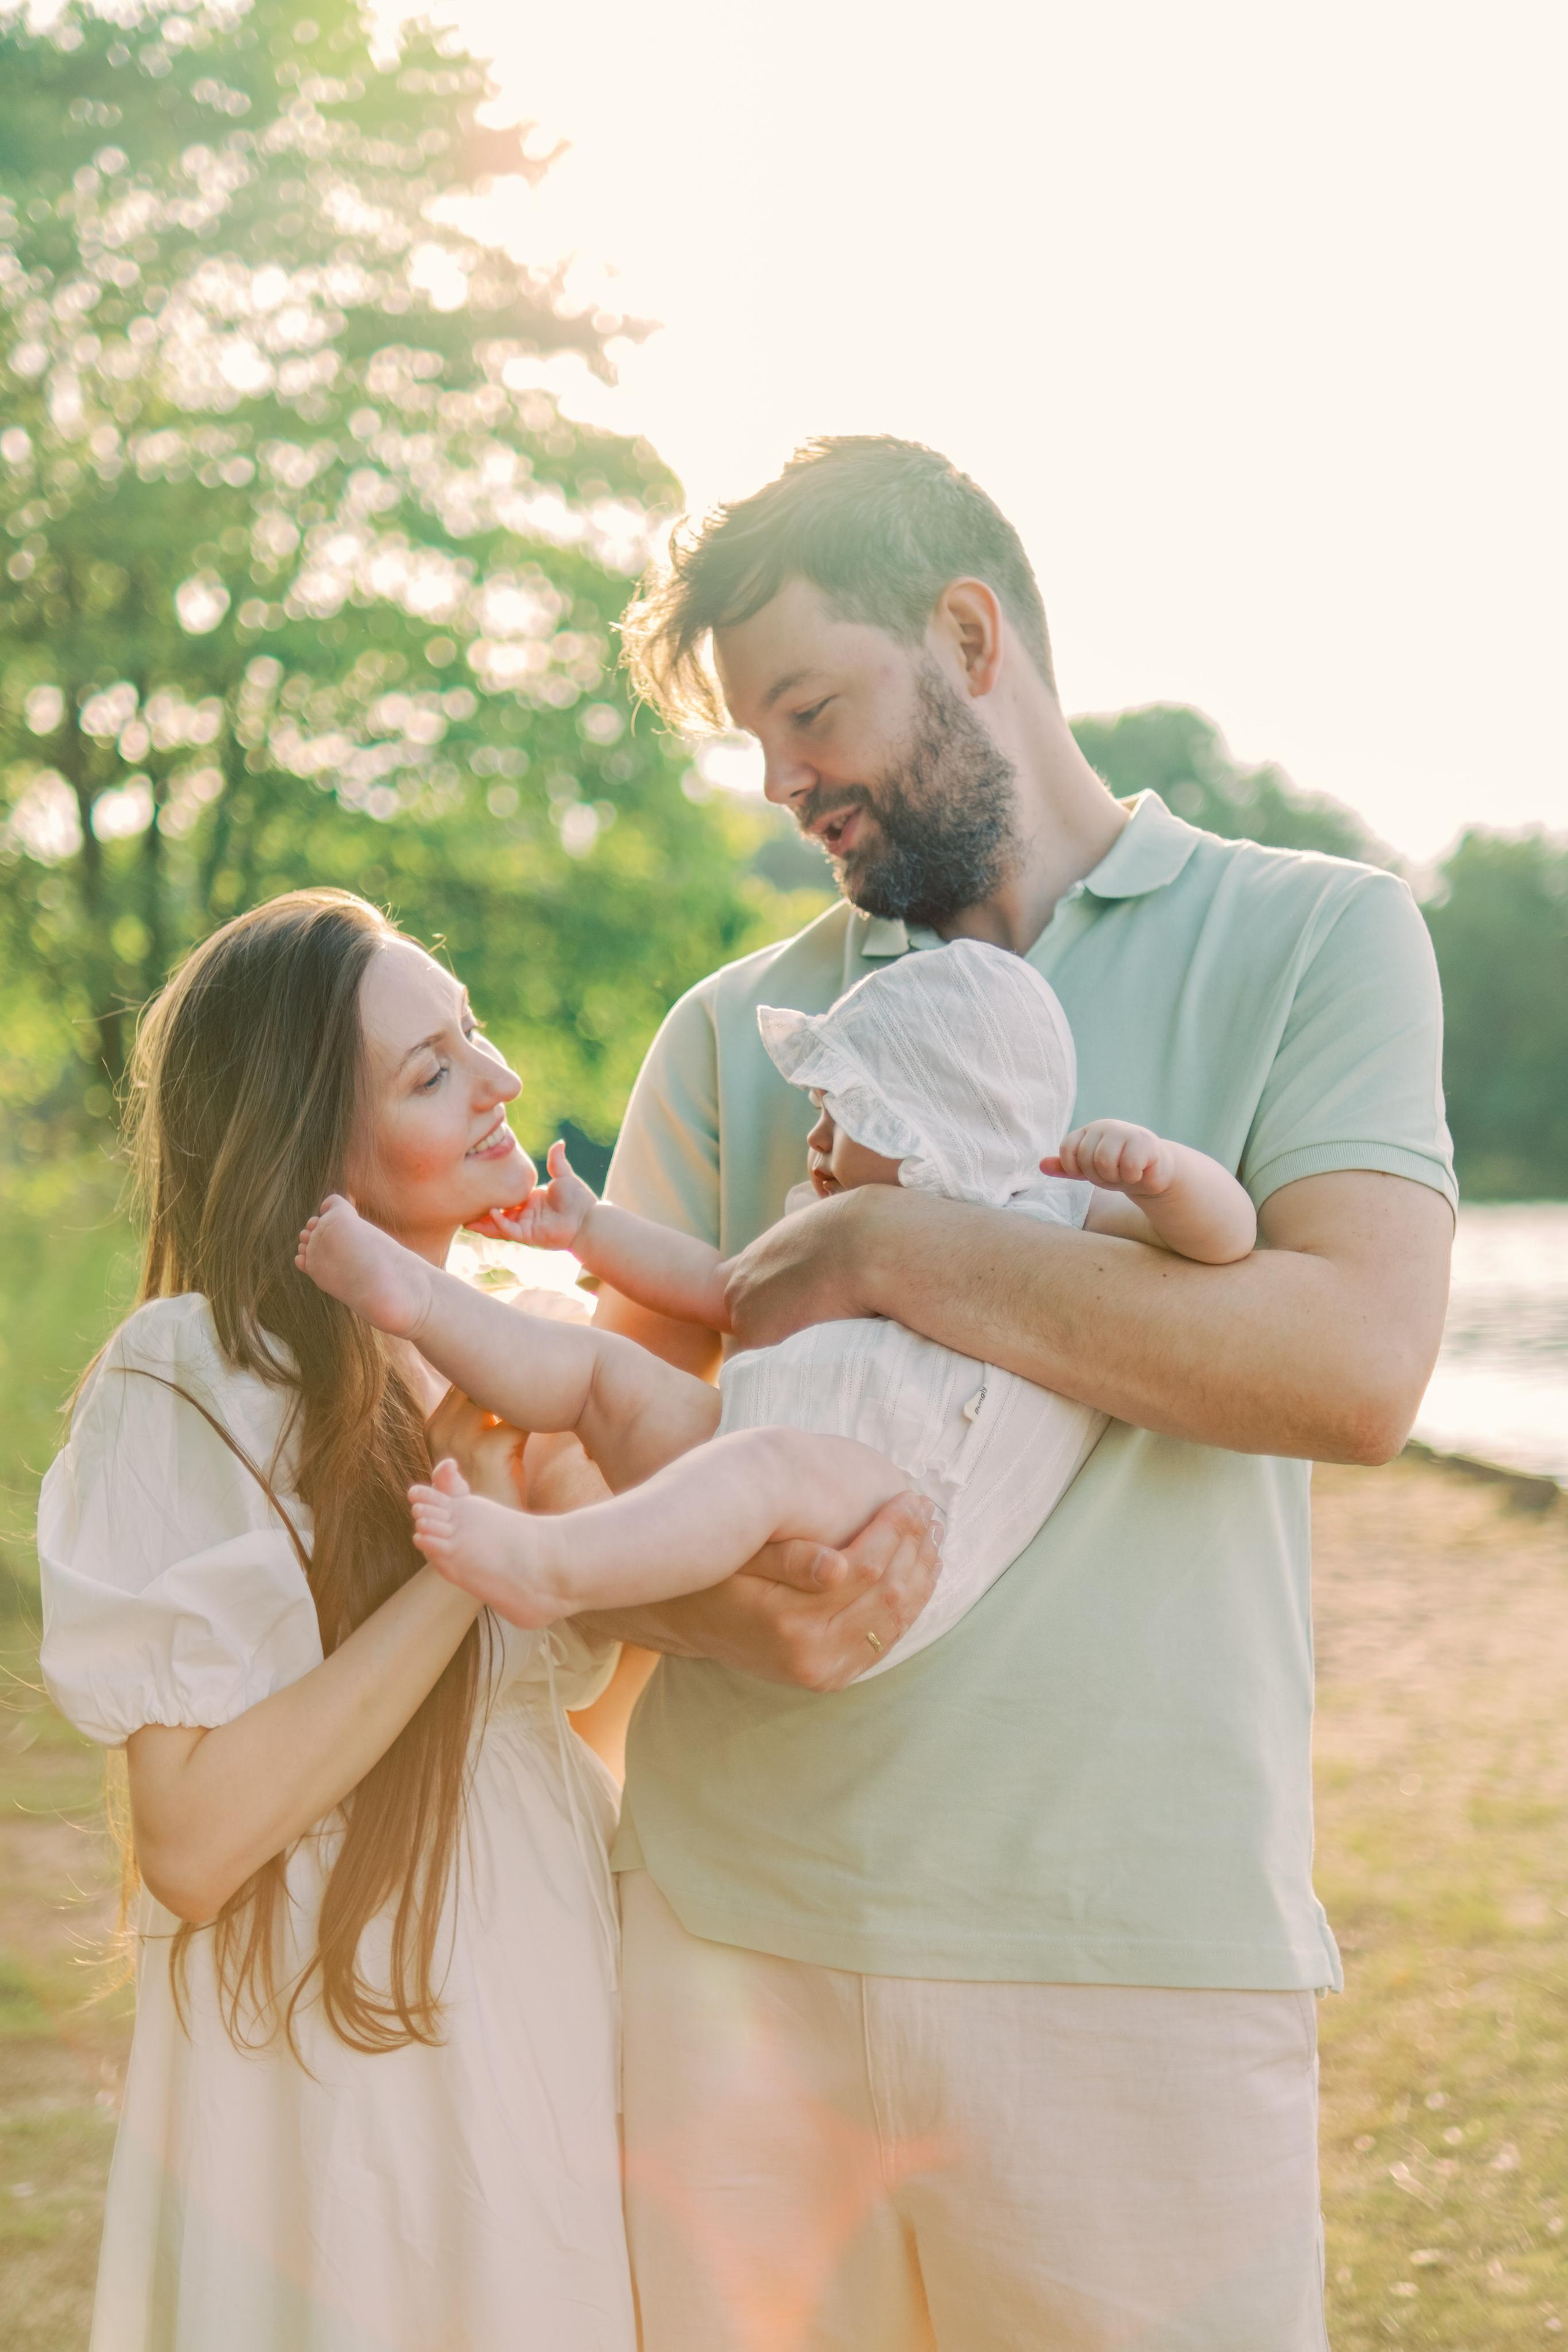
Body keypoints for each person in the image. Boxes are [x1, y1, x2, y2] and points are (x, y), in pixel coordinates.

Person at [574, 435, 1457, 2350]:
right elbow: (606, 1476)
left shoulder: (1316, 935)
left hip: (1131, 1966)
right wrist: (717, 1596)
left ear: (969, 634)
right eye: (756, 737)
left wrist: (892, 1253)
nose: (782, 778)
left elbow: (1354, 1365)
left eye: (812, 708)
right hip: (730, 1955)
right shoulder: (738, 1034)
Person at [36, 889, 938, 2352]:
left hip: (540, 1976)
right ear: (305, 1141)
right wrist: (471, 1551)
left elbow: (578, 1713)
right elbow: (194, 1847)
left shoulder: (529, 1339)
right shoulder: (194, 1375)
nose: (501, 1081)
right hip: (329, 2041)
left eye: (474, 1035)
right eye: (431, 1069)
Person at [331, 937, 1253, 1670]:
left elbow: (1227, 1239)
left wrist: (1166, 1176)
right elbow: (718, 1287)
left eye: (843, 1111)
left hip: (883, 1528)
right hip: (742, 1476)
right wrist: (590, 1230)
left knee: (764, 1463)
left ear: (924, 1128)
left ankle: (554, 1567)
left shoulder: (1047, 1205)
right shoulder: (822, 1229)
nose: (814, 1134)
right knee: (609, 1373)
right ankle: (418, 1304)